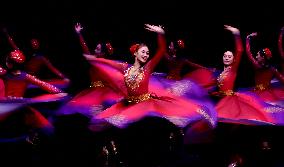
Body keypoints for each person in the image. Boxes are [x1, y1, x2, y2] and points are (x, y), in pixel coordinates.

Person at [84, 24, 216, 130]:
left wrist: (160, 34)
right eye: (143, 52)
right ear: (135, 53)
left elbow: (161, 50)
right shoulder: (125, 67)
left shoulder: (147, 68)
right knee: (103, 122)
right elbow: (110, 63)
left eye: (147, 53)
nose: (146, 55)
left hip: (144, 103)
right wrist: (94, 60)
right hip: (128, 103)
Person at [56, 22, 124, 131]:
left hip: (103, 90)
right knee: (93, 114)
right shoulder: (92, 59)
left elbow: (113, 75)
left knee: (101, 113)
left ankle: (108, 124)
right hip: (93, 90)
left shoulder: (103, 61)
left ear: (102, 51)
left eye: (98, 48)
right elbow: (85, 48)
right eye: (96, 48)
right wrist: (79, 34)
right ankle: (102, 126)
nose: (95, 49)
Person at [212, 25, 278, 125]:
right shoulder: (220, 72)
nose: (226, 58)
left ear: (234, 59)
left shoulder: (233, 70)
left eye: (229, 56)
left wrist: (236, 34)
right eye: (225, 56)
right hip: (220, 99)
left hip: (228, 102)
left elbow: (240, 50)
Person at [2, 28, 70, 89]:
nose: (34, 44)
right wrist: (7, 35)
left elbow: (52, 68)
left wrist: (63, 77)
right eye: (33, 43)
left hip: (32, 78)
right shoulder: (24, 54)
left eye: (36, 43)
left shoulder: (41, 57)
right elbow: (14, 46)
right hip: (22, 77)